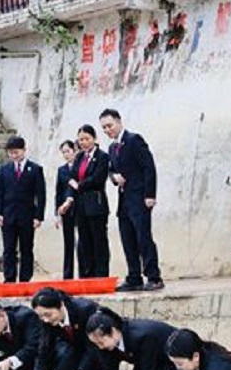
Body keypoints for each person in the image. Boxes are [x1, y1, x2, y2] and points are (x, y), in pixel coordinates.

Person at [99, 108, 163, 292]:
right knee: (128, 239)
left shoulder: (134, 140)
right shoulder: (112, 148)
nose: (107, 130)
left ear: (119, 122)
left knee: (143, 237)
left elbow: (148, 167)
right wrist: (114, 178)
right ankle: (134, 276)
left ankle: (153, 276)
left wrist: (150, 195)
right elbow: (111, 170)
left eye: (109, 125)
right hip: (124, 200)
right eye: (104, 128)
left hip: (139, 198)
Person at [85, 308, 177, 370]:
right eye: (96, 344)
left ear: (114, 332)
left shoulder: (142, 337)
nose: (100, 347)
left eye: (101, 343)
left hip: (171, 362)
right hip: (146, 363)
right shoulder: (108, 345)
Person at [60, 125, 111, 278]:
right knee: (84, 241)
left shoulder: (102, 156)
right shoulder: (79, 157)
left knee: (99, 240)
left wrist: (79, 185)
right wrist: (69, 198)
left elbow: (97, 179)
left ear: (94, 139)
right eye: (80, 139)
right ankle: (86, 274)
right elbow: (72, 179)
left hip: (96, 203)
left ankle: (101, 274)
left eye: (86, 139)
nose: (83, 142)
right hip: (80, 205)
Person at [30, 287, 100, 370]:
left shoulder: (86, 310)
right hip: (75, 346)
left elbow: (92, 347)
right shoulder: (47, 321)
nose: (46, 320)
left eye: (48, 315)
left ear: (61, 305)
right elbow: (43, 349)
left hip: (99, 346)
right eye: (41, 317)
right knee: (62, 369)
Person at [0, 136, 46, 283]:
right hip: (8, 215)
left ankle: (25, 279)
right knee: (9, 249)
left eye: (16, 152)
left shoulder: (35, 169)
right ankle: (9, 278)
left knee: (26, 248)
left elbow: (40, 195)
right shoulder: (5, 170)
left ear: (23, 150)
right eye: (10, 153)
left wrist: (38, 216)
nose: (13, 156)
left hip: (27, 215)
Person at [54, 139, 78, 279]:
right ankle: (67, 275)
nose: (66, 155)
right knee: (68, 243)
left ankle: (84, 273)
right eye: (63, 152)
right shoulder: (62, 170)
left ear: (74, 150)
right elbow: (59, 192)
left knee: (82, 244)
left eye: (68, 151)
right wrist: (57, 214)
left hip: (79, 207)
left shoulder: (80, 167)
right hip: (65, 210)